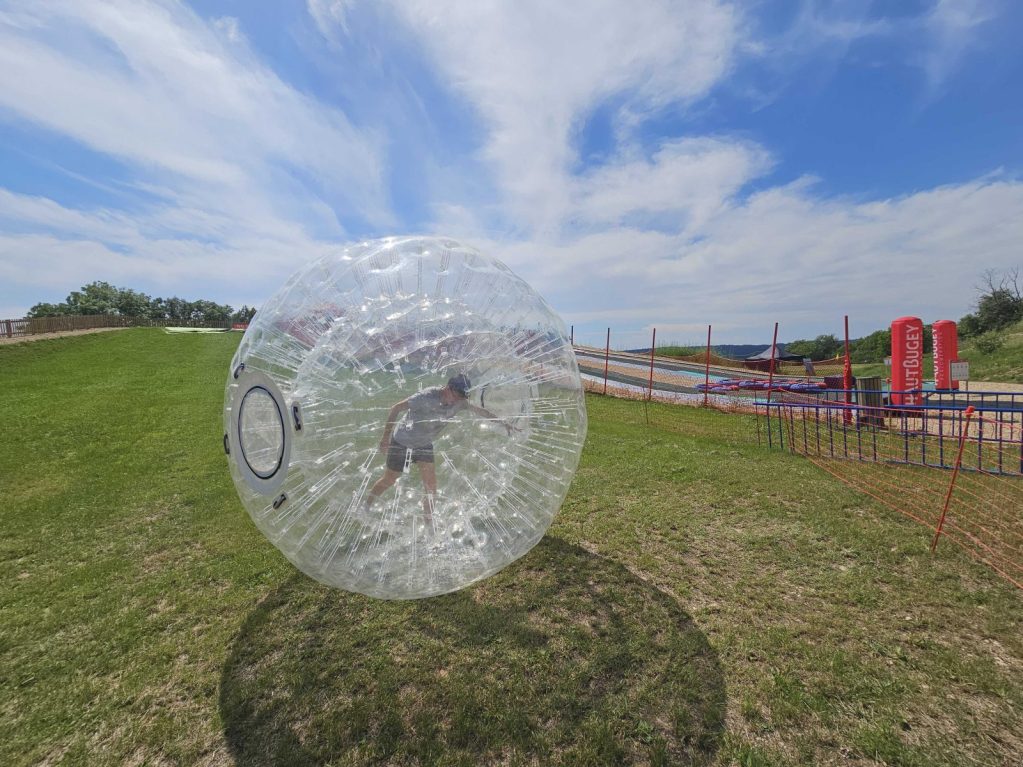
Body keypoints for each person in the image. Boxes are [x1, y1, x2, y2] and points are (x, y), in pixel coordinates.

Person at [363, 374, 516, 525]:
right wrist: (385, 438)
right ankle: (366, 506)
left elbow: (481, 411)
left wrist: (504, 423)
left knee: (431, 488)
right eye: (456, 396)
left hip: (424, 444)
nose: (457, 401)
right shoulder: (425, 397)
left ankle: (429, 525)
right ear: (448, 388)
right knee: (389, 479)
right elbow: (395, 408)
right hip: (403, 442)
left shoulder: (460, 402)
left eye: (461, 398)